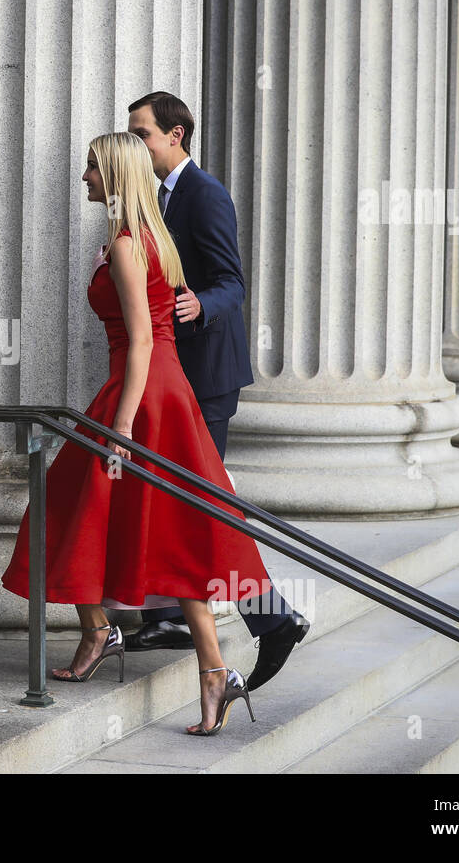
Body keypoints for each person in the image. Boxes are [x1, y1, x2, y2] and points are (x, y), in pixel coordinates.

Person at [0, 132, 270, 735]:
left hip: (141, 396)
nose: (85, 178)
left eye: (93, 169)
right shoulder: (153, 238)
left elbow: (144, 339)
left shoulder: (127, 243)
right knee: (168, 529)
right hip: (160, 392)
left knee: (64, 508)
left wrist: (120, 427)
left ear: (116, 175)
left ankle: (105, 631)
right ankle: (210, 671)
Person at [123, 91, 309, 692]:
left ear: (175, 136)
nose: (136, 143)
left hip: (205, 380)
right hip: (170, 380)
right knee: (180, 503)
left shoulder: (205, 195)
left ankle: (271, 617)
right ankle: (170, 613)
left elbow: (232, 282)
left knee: (205, 508)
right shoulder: (149, 196)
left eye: (142, 133)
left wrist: (201, 302)